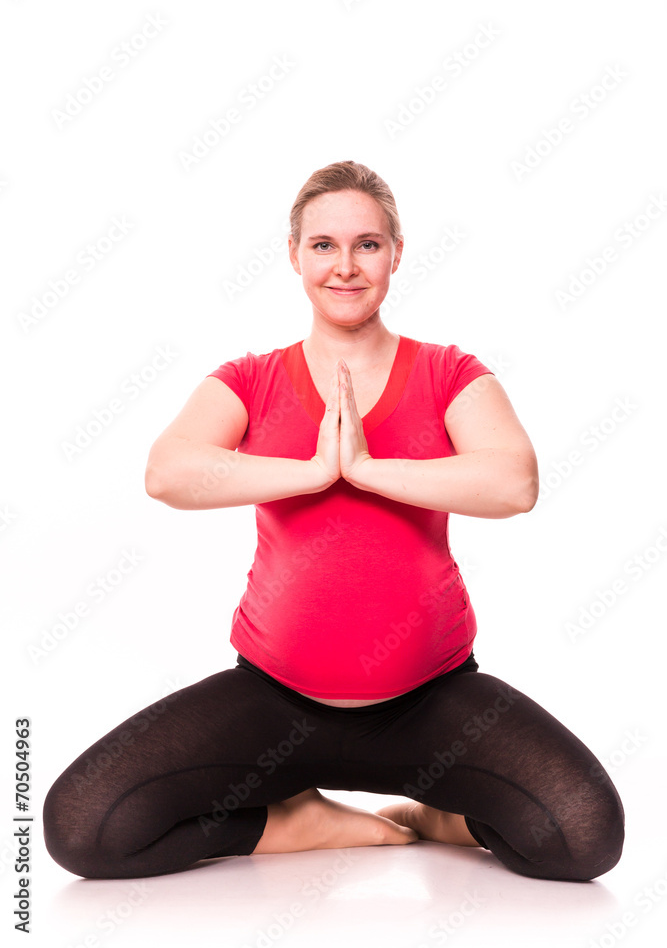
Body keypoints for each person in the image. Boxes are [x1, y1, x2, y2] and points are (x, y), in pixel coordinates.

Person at [42, 160, 624, 882]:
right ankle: (296, 819)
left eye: (366, 244)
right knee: (83, 827)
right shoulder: (249, 378)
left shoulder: (448, 372)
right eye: (322, 245)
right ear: (293, 255)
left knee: (583, 837)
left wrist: (366, 468)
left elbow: (515, 482)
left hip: (431, 704)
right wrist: (314, 472)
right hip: (271, 703)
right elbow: (167, 472)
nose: (344, 266)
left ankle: (439, 814)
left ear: (396, 253)